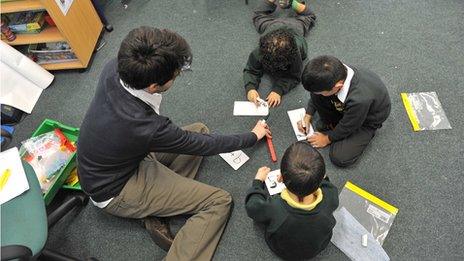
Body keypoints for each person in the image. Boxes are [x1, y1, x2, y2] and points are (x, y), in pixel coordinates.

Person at [77, 26, 270, 261]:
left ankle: (156, 211)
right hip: (115, 190)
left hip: (119, 159)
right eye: (176, 73)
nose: (178, 75)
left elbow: (193, 139)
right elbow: (203, 145)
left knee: (200, 129)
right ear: (153, 86)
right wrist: (252, 136)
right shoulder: (146, 125)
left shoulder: (115, 67)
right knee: (219, 201)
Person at [245, 141, 339, 260]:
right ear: (321, 180)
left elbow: (253, 207)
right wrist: (322, 178)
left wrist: (257, 182)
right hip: (316, 248)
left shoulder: (275, 207)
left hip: (282, 249)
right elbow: (327, 183)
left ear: (280, 178)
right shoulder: (330, 194)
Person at [298, 55, 391, 167]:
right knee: (320, 96)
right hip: (350, 107)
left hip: (366, 120)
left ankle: (365, 132)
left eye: (320, 92)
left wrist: (327, 139)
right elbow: (315, 93)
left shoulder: (359, 99)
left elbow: (350, 125)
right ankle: (334, 124)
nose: (316, 94)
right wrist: (308, 115)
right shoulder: (336, 72)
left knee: (339, 157)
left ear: (338, 86)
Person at [244, 0, 316, 107]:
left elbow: (294, 76)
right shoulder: (259, 51)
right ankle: (287, 3)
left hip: (295, 28)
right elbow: (251, 69)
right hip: (272, 27)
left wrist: (278, 90)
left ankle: (292, 3)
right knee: (257, 16)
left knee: (310, 16)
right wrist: (250, 89)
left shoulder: (297, 53)